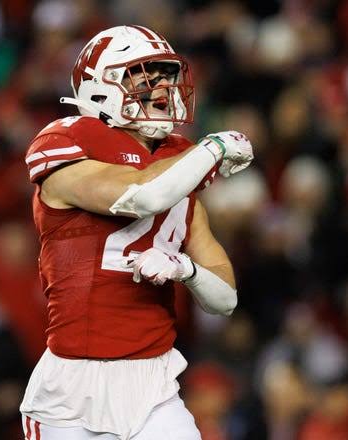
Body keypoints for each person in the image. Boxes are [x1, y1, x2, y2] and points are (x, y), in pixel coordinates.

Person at [19, 25, 254, 440]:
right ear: (101, 88)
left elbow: (226, 300)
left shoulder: (181, 168)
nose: (162, 87)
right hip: (73, 388)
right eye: (145, 75)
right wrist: (214, 149)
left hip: (153, 385)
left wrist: (185, 270)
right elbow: (141, 194)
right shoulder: (68, 147)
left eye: (167, 75)